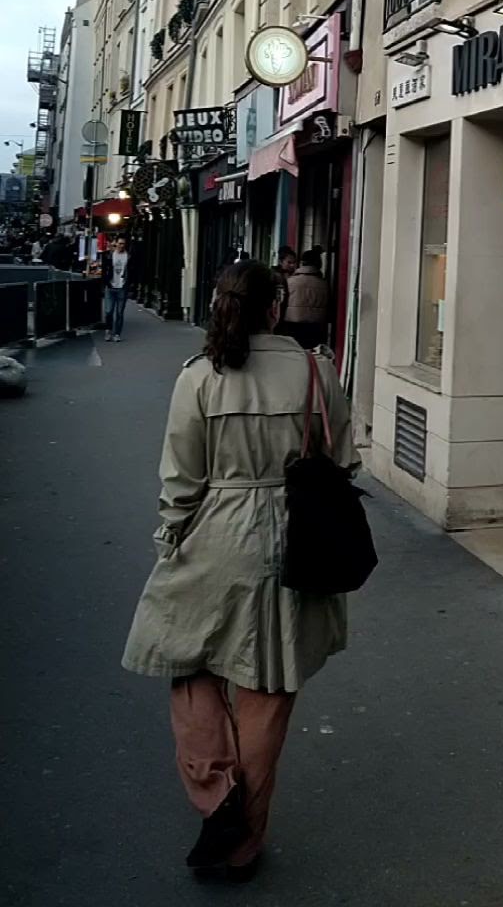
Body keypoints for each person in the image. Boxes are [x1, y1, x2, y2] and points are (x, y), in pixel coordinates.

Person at [121, 261, 356, 879]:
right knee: (268, 688)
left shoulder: (200, 375)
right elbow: (343, 460)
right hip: (299, 540)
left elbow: (181, 479)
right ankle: (245, 840)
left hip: (216, 533)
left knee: (186, 660)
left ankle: (216, 794)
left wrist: (170, 538)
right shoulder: (317, 371)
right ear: (276, 308)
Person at [281, 248, 330, 350]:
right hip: (316, 328)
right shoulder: (324, 284)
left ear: (302, 263)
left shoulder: (290, 282)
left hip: (292, 326)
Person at [102, 234, 132, 342]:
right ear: (116, 243)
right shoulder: (109, 255)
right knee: (108, 311)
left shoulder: (128, 256)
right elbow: (104, 269)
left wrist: (128, 283)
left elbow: (132, 270)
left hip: (122, 287)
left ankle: (117, 334)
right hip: (110, 287)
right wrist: (106, 282)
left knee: (119, 313)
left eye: (123, 244)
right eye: (119, 243)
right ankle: (108, 331)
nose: (121, 246)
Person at [271, 246, 297, 331]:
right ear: (281, 262)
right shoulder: (275, 276)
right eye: (289, 262)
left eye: (294, 262)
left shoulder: (296, 277)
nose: (292, 265)